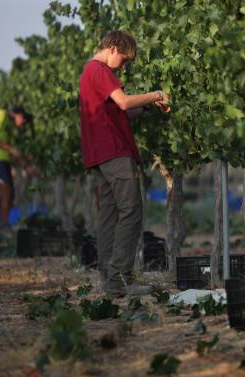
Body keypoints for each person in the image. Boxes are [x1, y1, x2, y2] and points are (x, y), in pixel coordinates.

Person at [79, 30, 170, 298]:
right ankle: (120, 277)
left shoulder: (90, 73)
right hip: (114, 152)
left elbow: (121, 111)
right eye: (125, 60)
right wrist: (155, 94)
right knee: (131, 211)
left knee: (109, 215)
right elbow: (124, 101)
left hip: (101, 153)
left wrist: (147, 108)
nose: (125, 66)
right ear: (113, 49)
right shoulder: (100, 70)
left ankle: (110, 279)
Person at [0, 106, 37, 230]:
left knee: (10, 194)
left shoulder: (10, 128)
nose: (23, 123)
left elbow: (15, 152)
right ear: (16, 115)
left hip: (3, 160)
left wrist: (27, 166)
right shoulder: (0, 115)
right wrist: (9, 149)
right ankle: (3, 226)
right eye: (23, 119)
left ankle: (3, 223)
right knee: (6, 192)